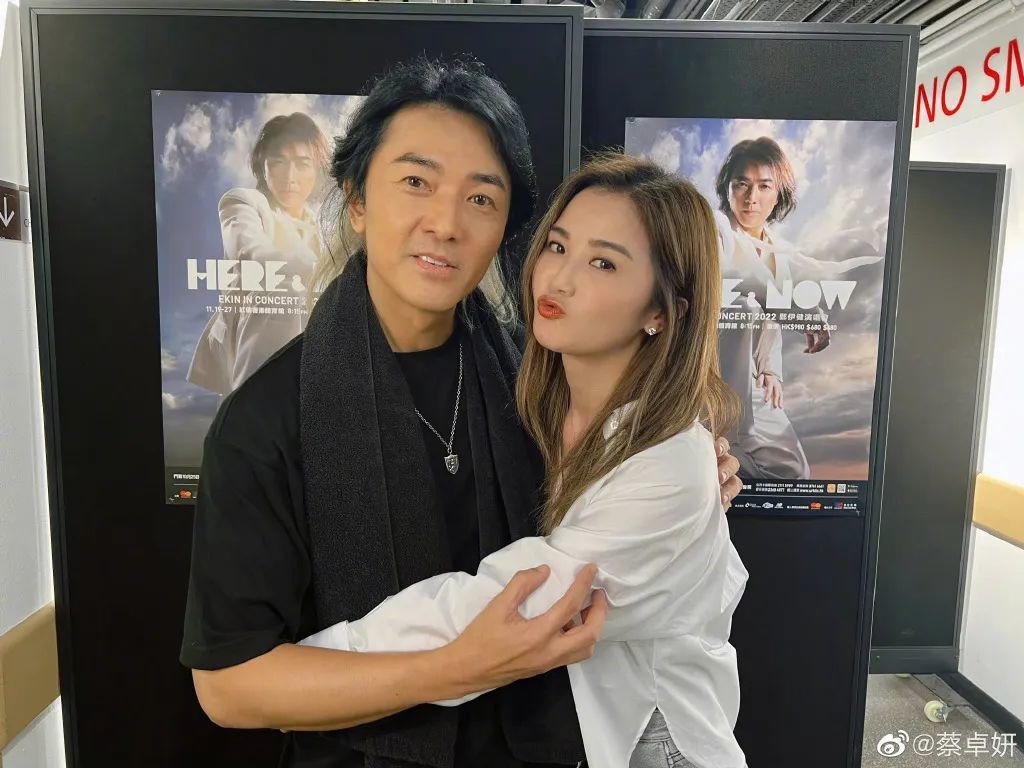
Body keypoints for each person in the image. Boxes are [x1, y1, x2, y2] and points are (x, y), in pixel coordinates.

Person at [181, 57, 743, 768]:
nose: (445, 224)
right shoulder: (266, 421)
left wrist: (684, 483)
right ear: (356, 200)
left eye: (481, 198)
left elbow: (619, 475)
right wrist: (449, 669)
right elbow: (229, 688)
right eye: (416, 182)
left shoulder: (532, 377)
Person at [299, 153, 749, 768]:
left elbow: (518, 603)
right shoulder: (528, 396)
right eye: (557, 247)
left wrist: (316, 671)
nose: (557, 280)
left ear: (662, 311)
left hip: (651, 736)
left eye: (602, 263)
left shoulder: (669, 463)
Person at [187, 112, 330, 395]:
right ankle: (252, 405)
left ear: (317, 170)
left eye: (302, 164)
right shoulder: (243, 202)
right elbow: (252, 254)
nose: (290, 177)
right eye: (278, 162)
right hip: (252, 338)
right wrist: (317, 271)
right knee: (280, 292)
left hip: (309, 356)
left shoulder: (322, 225)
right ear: (262, 166)